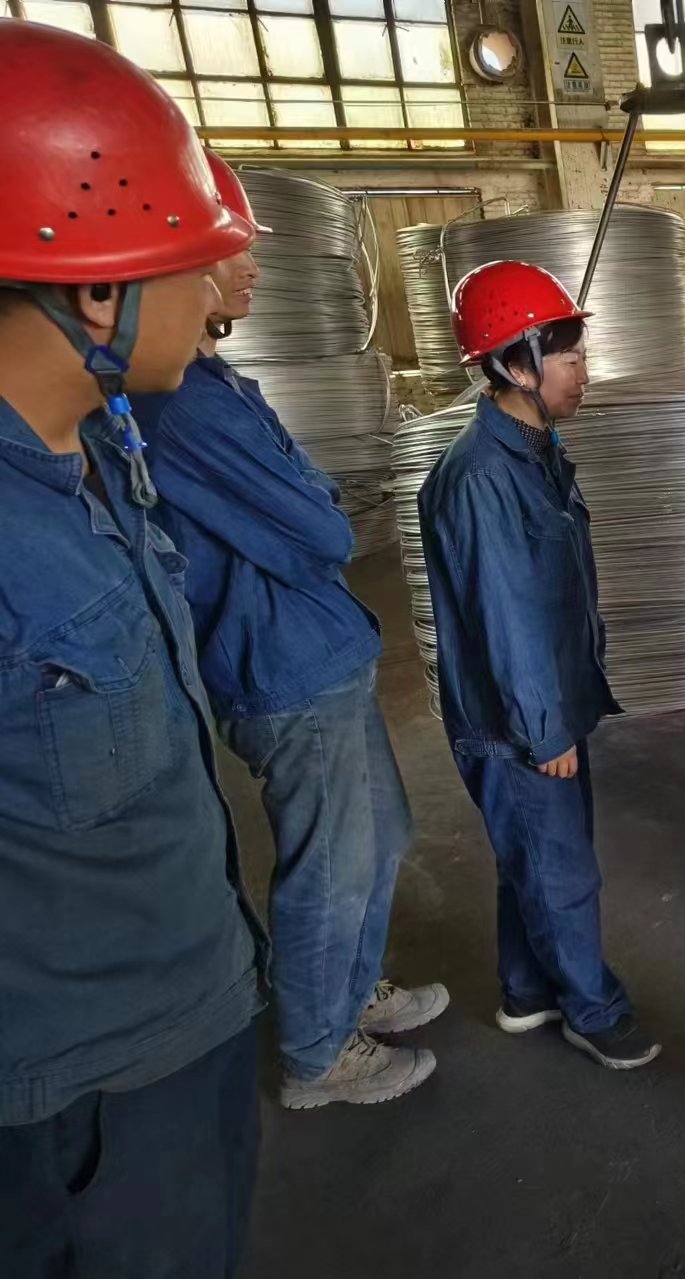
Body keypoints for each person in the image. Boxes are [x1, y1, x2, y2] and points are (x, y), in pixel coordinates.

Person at [0, 24, 269, 1277]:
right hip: (75, 1099)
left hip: (186, 1012)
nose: (215, 294)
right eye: (190, 264)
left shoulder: (100, 451)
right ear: (94, 294)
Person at [129, 153, 442, 1111]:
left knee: (378, 836)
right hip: (282, 666)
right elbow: (326, 529)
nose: (253, 267)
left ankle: (347, 990)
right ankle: (316, 1050)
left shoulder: (213, 379)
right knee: (333, 863)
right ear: (174, 266)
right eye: (231, 250)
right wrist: (317, 505)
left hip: (320, 645)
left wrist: (312, 502)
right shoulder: (178, 402)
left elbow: (309, 505)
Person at [416, 260, 659, 1070]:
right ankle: (594, 1010)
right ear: (516, 366)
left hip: (542, 700)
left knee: (532, 852)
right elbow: (504, 615)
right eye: (569, 357)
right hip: (517, 721)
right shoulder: (482, 476)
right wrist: (546, 727)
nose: (583, 371)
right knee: (560, 869)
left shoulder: (533, 448)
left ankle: (527, 990)